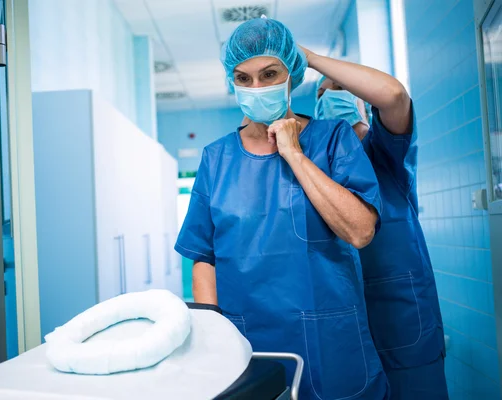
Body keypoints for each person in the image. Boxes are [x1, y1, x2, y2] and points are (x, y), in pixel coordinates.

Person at [174, 17, 389, 399]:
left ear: (292, 75)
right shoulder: (216, 158)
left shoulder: (332, 140)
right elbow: (202, 256)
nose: (256, 87)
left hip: (330, 343)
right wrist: (211, 342)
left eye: (269, 73)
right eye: (243, 78)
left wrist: (294, 154)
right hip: (247, 343)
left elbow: (360, 231)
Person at [311, 53, 448, 399]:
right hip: (345, 332)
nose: (333, 94)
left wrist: (311, 60)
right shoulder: (316, 168)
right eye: (325, 93)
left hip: (404, 328)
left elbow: (395, 96)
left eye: (342, 87)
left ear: (360, 99)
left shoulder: (386, 152)